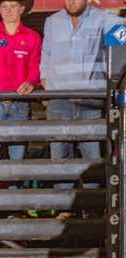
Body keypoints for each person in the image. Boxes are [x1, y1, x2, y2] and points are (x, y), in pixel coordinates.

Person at [41, 0, 124, 189]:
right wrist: (46, 81)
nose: (71, 1)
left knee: (91, 156)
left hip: (91, 99)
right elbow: (46, 55)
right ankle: (65, 208)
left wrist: (115, 15)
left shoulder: (103, 19)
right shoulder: (52, 22)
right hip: (59, 100)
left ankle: (91, 207)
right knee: (59, 157)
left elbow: (121, 36)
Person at [0, 0, 40, 190]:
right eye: (4, 6)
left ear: (22, 9)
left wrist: (31, 82)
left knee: (17, 158)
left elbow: (35, 68)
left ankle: (14, 207)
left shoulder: (32, 37)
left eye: (13, 6)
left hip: (19, 104)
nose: (8, 10)